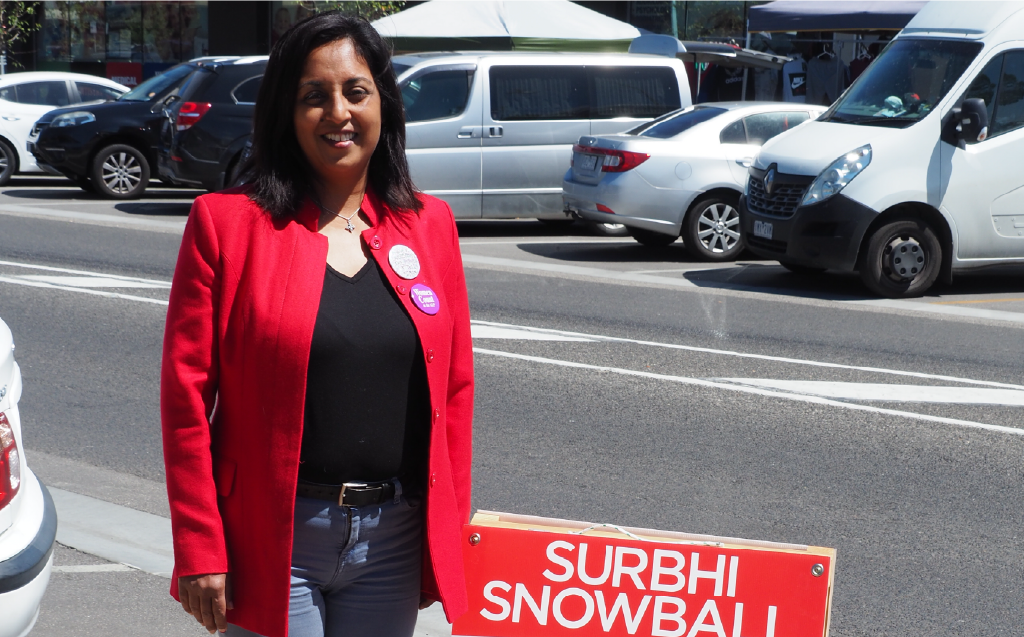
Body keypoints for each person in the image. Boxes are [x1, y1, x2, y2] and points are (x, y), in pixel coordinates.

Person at [161, 12, 474, 637]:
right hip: (273, 539)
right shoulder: (226, 226)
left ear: (383, 102)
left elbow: (455, 391)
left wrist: (447, 532)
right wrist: (201, 546)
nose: (339, 112)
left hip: (393, 538)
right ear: (286, 112)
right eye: (314, 96)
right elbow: (186, 399)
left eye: (356, 92)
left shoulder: (429, 224)